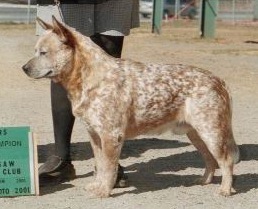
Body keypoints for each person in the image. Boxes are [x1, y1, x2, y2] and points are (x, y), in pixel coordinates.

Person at [37, 0, 139, 187]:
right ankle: (61, 158)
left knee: (108, 66)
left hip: (111, 4)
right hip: (66, 4)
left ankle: (106, 165)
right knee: (60, 65)